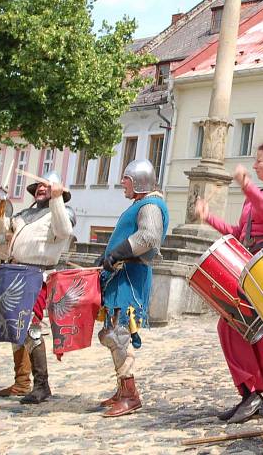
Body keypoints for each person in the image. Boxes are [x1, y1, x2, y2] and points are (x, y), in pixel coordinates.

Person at [197, 142, 263, 424]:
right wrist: (209, 219)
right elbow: (239, 233)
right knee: (244, 328)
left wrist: (247, 187)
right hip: (251, 265)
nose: (255, 166)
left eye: (260, 161)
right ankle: (251, 391)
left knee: (235, 326)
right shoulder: (255, 194)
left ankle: (253, 393)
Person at [0, 171, 75, 403]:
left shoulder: (63, 212)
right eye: (38, 186)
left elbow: (64, 231)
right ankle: (22, 382)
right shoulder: (26, 214)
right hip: (16, 272)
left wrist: (57, 199)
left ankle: (42, 385)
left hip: (37, 275)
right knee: (15, 329)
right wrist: (0, 205)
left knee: (30, 327)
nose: (40, 188)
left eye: (46, 186)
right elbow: (0, 229)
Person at [97, 159, 169, 418]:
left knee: (118, 334)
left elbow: (148, 237)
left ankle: (130, 396)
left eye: (126, 179)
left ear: (138, 181)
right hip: (121, 276)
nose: (122, 184)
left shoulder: (150, 204)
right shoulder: (140, 204)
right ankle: (121, 389)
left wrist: (116, 254)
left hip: (130, 276)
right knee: (112, 332)